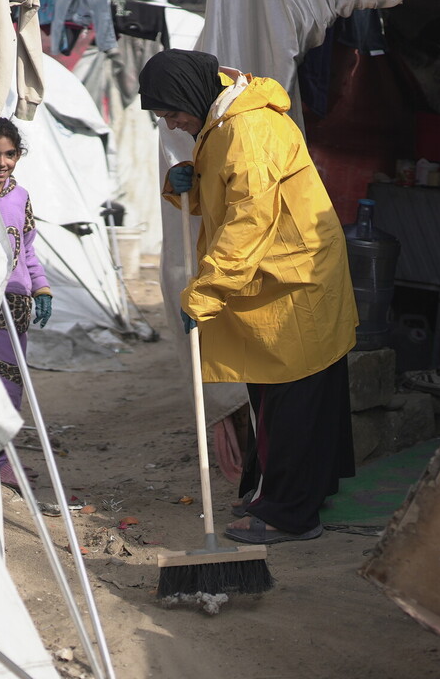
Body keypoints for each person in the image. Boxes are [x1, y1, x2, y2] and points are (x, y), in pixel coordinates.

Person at [140, 49, 359, 545]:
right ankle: (288, 493)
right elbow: (228, 193)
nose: (173, 124)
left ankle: (289, 513)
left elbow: (247, 222)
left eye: (173, 112)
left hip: (291, 282)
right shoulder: (225, 121)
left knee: (292, 402)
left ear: (192, 94)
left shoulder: (247, 131)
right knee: (284, 395)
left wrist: (205, 293)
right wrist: (188, 189)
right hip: (279, 277)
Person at [0, 117, 53, 488]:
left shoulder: (20, 197)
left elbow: (29, 249)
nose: (1, 162)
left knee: (10, 381)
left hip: (15, 301)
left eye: (9, 154)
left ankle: (3, 455)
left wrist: (41, 288)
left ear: (18, 156)